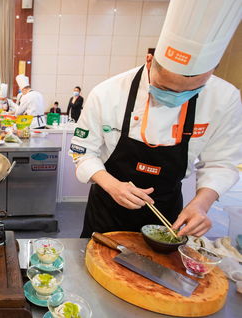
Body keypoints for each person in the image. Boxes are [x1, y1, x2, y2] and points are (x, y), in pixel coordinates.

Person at [70, 0, 242, 239]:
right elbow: (82, 152)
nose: (175, 98)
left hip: (168, 213)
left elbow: (222, 163)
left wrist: (202, 204)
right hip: (108, 209)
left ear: (210, 73)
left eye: (191, 91)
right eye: (165, 87)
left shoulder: (224, 99)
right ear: (150, 61)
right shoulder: (108, 93)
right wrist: (112, 185)